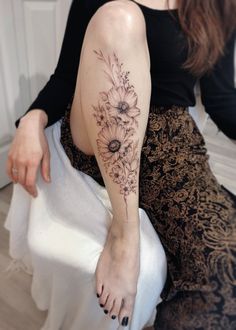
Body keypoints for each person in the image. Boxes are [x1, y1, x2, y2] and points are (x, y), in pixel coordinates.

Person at [6, 0, 236, 329]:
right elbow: (65, 77)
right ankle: (124, 236)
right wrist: (32, 119)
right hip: (100, 131)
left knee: (224, 274)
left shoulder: (218, 5)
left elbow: (222, 98)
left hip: (170, 142)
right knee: (120, 18)